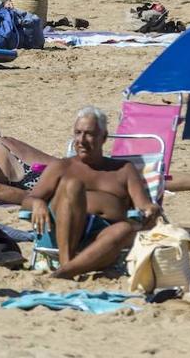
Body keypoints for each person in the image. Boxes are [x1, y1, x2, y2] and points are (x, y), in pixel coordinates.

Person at [21, 107, 159, 278]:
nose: (81, 140)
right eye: (77, 133)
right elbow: (28, 199)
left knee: (124, 228)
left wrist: (151, 209)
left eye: (89, 134)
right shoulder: (62, 166)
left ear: (104, 137)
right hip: (64, 232)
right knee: (73, 185)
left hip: (102, 237)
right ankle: (66, 263)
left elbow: (142, 204)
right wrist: (38, 202)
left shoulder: (124, 169)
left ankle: (65, 272)